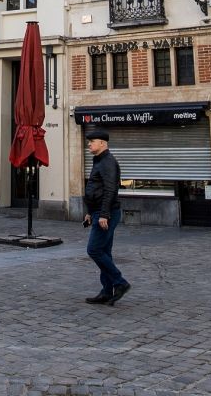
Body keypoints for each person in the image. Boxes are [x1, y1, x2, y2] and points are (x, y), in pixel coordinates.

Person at [82, 128, 130, 306]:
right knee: (104, 253)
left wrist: (103, 214)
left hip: (106, 213)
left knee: (94, 250)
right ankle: (107, 291)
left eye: (92, 141)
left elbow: (110, 190)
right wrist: (90, 211)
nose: (89, 144)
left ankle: (120, 282)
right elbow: (96, 188)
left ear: (102, 143)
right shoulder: (99, 161)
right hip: (98, 212)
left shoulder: (108, 162)